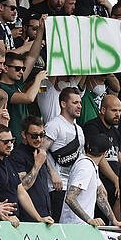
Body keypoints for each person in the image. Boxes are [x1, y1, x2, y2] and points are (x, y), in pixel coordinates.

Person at [0, 124, 54, 227]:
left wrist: (38, 218)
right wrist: (5, 217)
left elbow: (21, 192)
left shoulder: (8, 161)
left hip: (12, 222)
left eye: (11, 141)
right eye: (5, 142)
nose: (9, 145)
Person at [60, 133, 121, 229]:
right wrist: (89, 220)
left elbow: (101, 196)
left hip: (82, 226)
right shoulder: (86, 167)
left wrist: (115, 221)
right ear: (105, 153)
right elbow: (70, 198)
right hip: (74, 227)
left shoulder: (91, 165)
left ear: (88, 145)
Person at [43, 87, 84, 220]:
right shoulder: (54, 125)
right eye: (75, 103)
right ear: (63, 104)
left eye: (80, 103)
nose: (79, 106)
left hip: (74, 188)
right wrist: (53, 173)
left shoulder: (79, 129)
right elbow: (40, 150)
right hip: (57, 187)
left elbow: (81, 157)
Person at [83, 95, 121, 210]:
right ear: (103, 110)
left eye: (120, 111)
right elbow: (98, 156)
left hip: (114, 186)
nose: (118, 114)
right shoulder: (93, 127)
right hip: (98, 185)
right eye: (114, 110)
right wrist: (116, 179)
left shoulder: (115, 132)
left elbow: (118, 155)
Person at [9, 116, 52, 221]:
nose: (38, 139)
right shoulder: (17, 155)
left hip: (45, 213)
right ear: (24, 134)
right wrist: (37, 164)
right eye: (34, 136)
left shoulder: (40, 152)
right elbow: (23, 186)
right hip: (28, 216)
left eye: (41, 135)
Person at [0, 52, 47, 139]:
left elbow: (32, 56)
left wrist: (39, 38)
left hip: (24, 137)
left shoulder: (17, 83)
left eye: (23, 68)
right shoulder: (1, 88)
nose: (21, 71)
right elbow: (29, 98)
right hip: (13, 138)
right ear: (5, 68)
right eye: (17, 68)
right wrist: (38, 79)